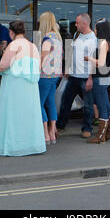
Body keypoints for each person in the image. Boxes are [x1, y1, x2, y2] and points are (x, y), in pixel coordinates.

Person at [0, 20, 46, 156]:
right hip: (31, 88)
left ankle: (14, 147)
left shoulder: (14, 46)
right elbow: (39, 67)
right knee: (29, 116)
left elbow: (3, 65)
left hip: (14, 86)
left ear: (11, 32)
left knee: (13, 115)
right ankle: (31, 145)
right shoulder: (33, 47)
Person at [56, 13, 97, 138]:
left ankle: (87, 128)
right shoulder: (76, 34)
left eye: (77, 22)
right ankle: (60, 126)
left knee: (88, 105)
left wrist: (90, 78)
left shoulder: (92, 39)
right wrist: (68, 68)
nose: (75, 24)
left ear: (84, 23)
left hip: (85, 76)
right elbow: (71, 52)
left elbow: (93, 59)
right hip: (74, 76)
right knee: (66, 101)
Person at [85, 18, 110, 143]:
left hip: (101, 78)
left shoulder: (103, 43)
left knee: (102, 106)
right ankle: (109, 134)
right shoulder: (107, 42)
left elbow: (101, 63)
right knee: (106, 105)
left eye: (96, 28)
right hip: (105, 77)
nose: (94, 30)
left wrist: (89, 59)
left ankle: (100, 136)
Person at [38, 12, 63, 145]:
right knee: (50, 103)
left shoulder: (47, 39)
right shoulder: (57, 38)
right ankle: (53, 132)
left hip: (45, 76)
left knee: (39, 103)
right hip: (55, 75)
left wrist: (36, 68)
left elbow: (43, 58)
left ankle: (45, 133)